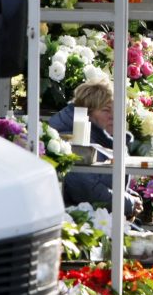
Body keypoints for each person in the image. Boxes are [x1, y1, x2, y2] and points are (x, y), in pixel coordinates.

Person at [48, 79, 143, 217]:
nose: (113, 116)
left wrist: (130, 196)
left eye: (116, 110)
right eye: (106, 110)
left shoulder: (105, 139)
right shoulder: (69, 140)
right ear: (87, 113)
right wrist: (129, 203)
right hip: (77, 222)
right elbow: (86, 190)